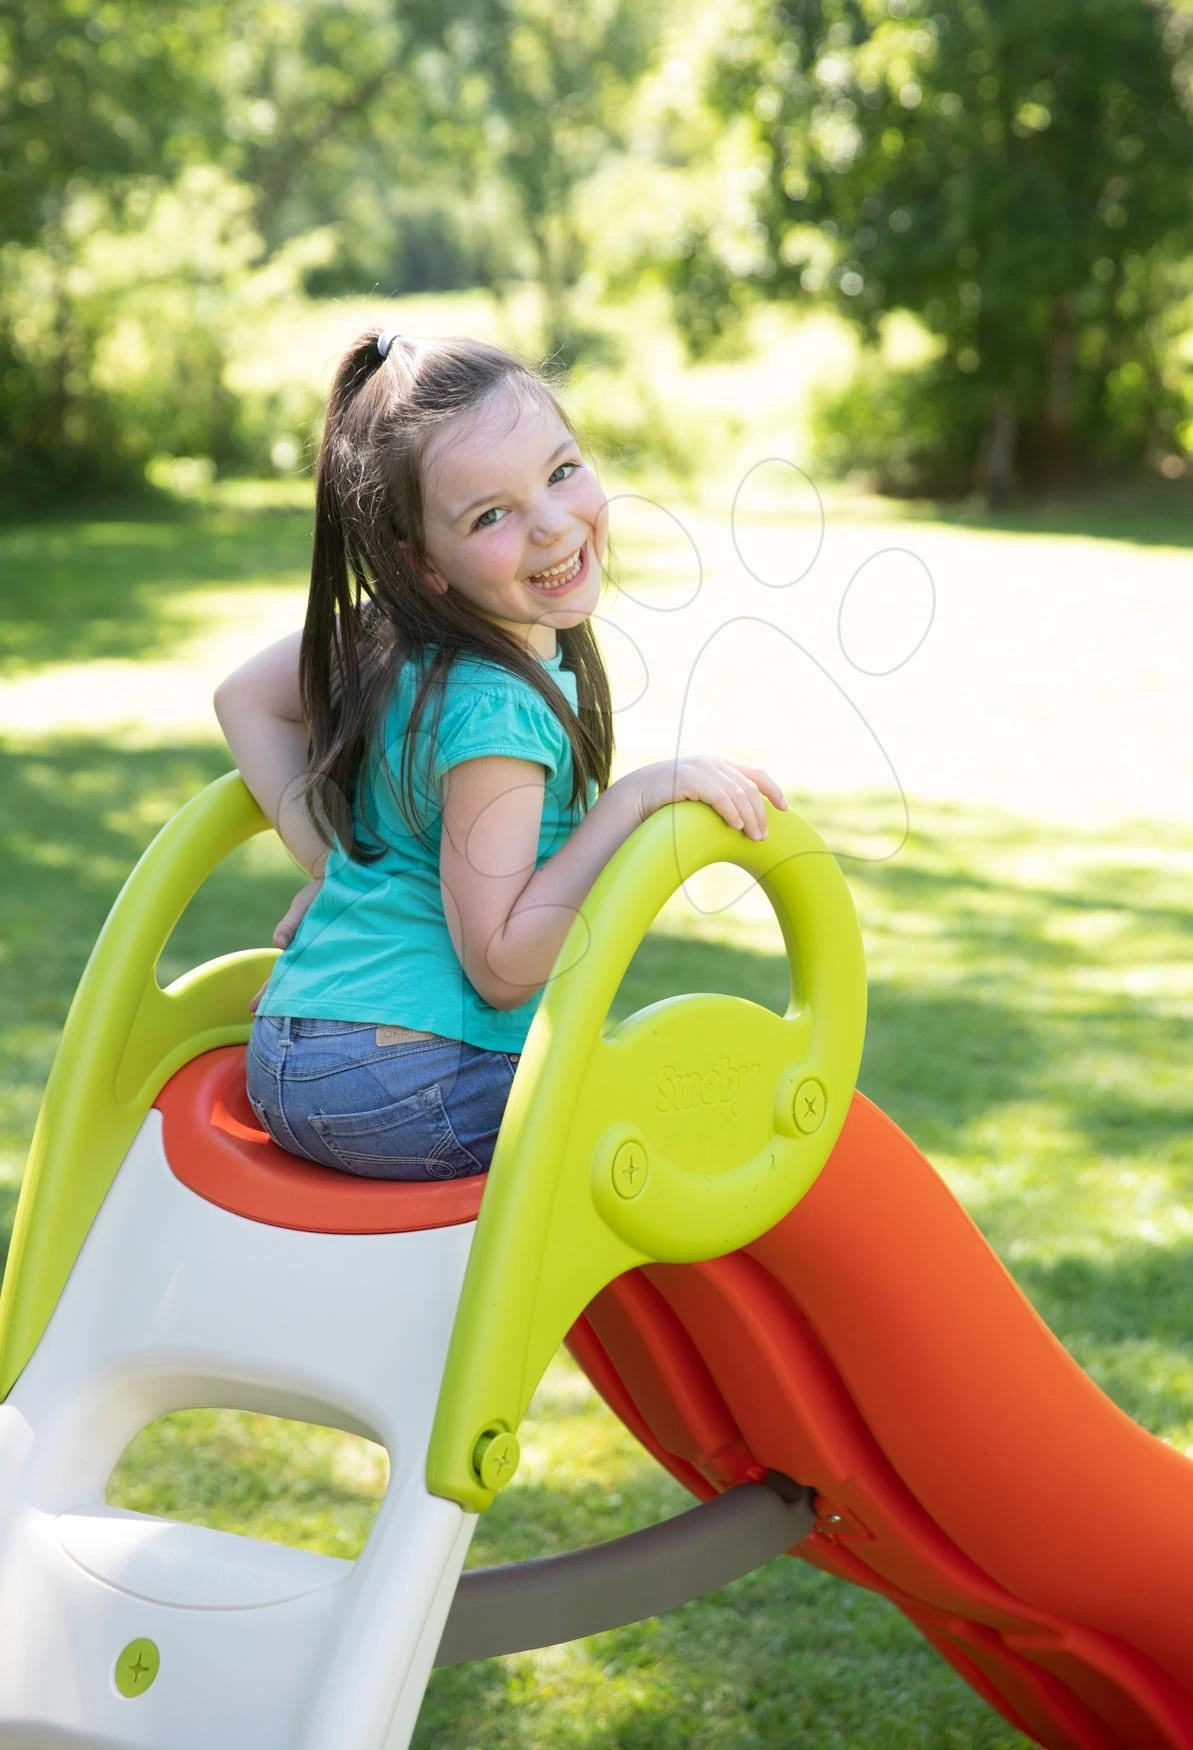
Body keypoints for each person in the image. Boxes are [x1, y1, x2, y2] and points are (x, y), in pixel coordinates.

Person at [213, 326, 788, 1184]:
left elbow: (245, 699)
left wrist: (340, 866)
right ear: (423, 565)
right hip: (403, 1076)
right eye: (491, 515)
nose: (552, 526)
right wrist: (629, 804)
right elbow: (503, 965)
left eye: (561, 472)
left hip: (300, 1048)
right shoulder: (496, 709)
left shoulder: (392, 638)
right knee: (688, 1134)